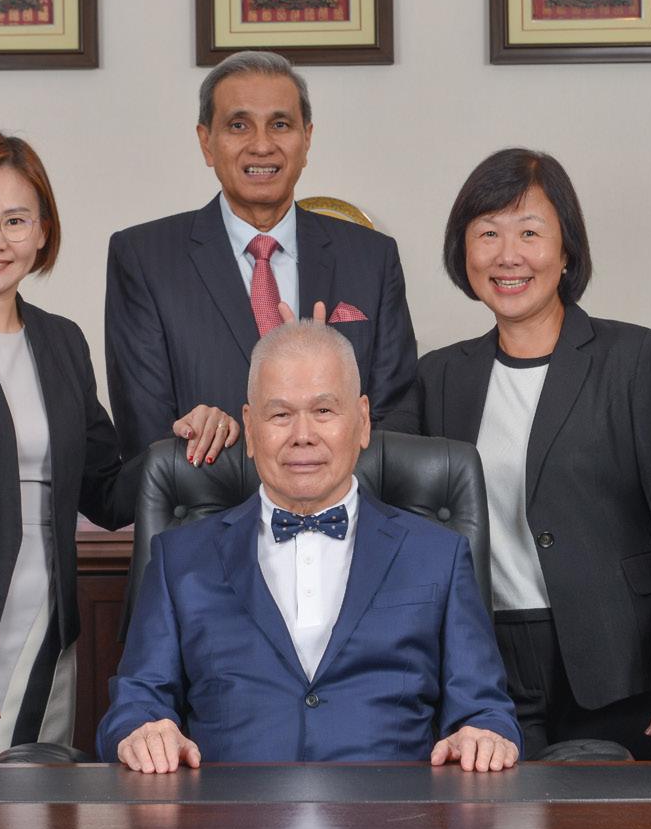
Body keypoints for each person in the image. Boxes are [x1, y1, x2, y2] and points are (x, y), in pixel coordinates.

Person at [0, 132, 193, 764]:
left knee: (37, 804)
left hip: (51, 630)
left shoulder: (62, 341)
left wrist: (181, 442)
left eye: (15, 221)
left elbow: (107, 494)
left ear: (43, 232)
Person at [97, 320, 521, 772]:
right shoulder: (179, 558)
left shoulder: (438, 555)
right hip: (226, 811)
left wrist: (484, 734)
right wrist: (141, 730)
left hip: (393, 811)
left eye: (323, 410)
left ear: (362, 421)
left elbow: (486, 710)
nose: (303, 434)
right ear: (250, 429)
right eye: (280, 415)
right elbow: (135, 704)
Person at [413, 148, 651, 760]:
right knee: (501, 819)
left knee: (618, 822)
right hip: (488, 664)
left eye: (530, 233)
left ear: (566, 252)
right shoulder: (438, 377)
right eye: (488, 233)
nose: (507, 255)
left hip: (623, 661)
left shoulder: (631, 359)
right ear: (464, 251)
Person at [105, 50, 418, 462]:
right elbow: (147, 442)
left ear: (306, 139)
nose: (262, 145)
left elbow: (397, 422)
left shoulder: (372, 257)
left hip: (346, 501)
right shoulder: (145, 259)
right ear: (206, 142)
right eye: (239, 125)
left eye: (280, 124)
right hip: (205, 501)